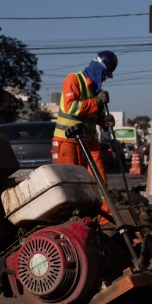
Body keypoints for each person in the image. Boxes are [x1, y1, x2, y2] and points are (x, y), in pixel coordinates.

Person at [52, 51, 118, 217]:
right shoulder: (73, 80)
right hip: (68, 142)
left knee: (100, 183)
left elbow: (96, 116)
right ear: (98, 70)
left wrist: (105, 121)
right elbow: (71, 108)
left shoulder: (96, 91)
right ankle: (72, 221)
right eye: (104, 75)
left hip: (89, 142)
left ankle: (106, 221)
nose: (103, 79)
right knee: (71, 185)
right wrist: (96, 102)